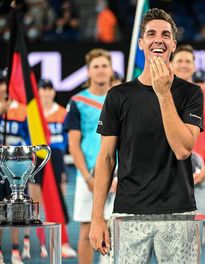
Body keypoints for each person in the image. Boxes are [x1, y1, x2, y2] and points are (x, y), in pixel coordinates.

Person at [89, 8, 203, 263]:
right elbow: (106, 158)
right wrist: (97, 217)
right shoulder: (118, 96)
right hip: (128, 215)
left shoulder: (191, 94)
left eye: (165, 34)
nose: (158, 39)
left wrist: (163, 93)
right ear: (141, 43)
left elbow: (183, 149)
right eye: (151, 34)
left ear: (174, 43)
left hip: (179, 214)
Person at [170, 45, 205, 254]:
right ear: (171, 64)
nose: (183, 65)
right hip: (169, 174)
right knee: (171, 234)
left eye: (187, 61)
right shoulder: (161, 92)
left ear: (194, 66)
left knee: (202, 235)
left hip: (200, 175)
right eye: (180, 60)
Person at [64, 48, 115, 264]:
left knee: (117, 231)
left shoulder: (121, 97)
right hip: (89, 177)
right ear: (88, 72)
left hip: (120, 176)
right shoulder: (77, 102)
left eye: (104, 66)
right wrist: (88, 178)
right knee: (86, 232)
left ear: (111, 70)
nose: (101, 70)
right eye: (96, 66)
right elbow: (74, 145)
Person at [24, 78, 77, 259]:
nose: (46, 93)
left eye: (49, 89)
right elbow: (25, 136)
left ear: (53, 92)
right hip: (37, 160)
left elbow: (67, 137)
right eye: (43, 89)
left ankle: (63, 242)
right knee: (36, 205)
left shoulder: (62, 113)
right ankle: (42, 244)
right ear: (38, 92)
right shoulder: (32, 114)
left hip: (57, 159)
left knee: (59, 202)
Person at [0, 68, 28, 264]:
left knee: (16, 207)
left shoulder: (23, 110)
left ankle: (17, 250)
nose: (4, 87)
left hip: (15, 167)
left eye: (6, 83)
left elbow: (28, 138)